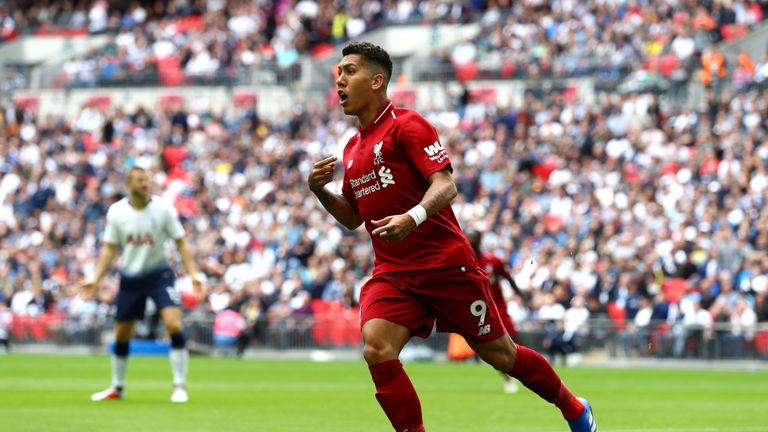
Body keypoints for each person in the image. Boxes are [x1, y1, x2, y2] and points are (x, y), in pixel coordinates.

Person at [308, 41, 598, 432]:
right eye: (338, 72)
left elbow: (445, 186)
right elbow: (352, 218)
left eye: (349, 71)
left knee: (501, 355)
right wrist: (320, 191)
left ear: (377, 80)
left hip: (445, 264)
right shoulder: (352, 149)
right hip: (394, 272)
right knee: (377, 347)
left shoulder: (407, 124)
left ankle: (575, 409)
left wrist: (412, 218)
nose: (338, 79)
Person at [80, 166, 204, 403]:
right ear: (129, 184)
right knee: (122, 333)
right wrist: (96, 279)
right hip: (131, 277)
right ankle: (117, 387)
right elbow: (109, 248)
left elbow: (182, 242)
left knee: (174, 324)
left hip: (159, 275)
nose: (146, 184)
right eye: (140, 180)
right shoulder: (116, 212)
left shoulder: (164, 209)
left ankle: (179, 385)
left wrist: (194, 274)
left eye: (147, 180)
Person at [466, 229, 525, 393]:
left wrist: (520, 294)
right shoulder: (465, 262)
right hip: (480, 311)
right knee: (492, 349)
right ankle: (508, 379)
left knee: (516, 339)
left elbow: (508, 277)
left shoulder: (493, 261)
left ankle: (526, 372)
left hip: (499, 307)